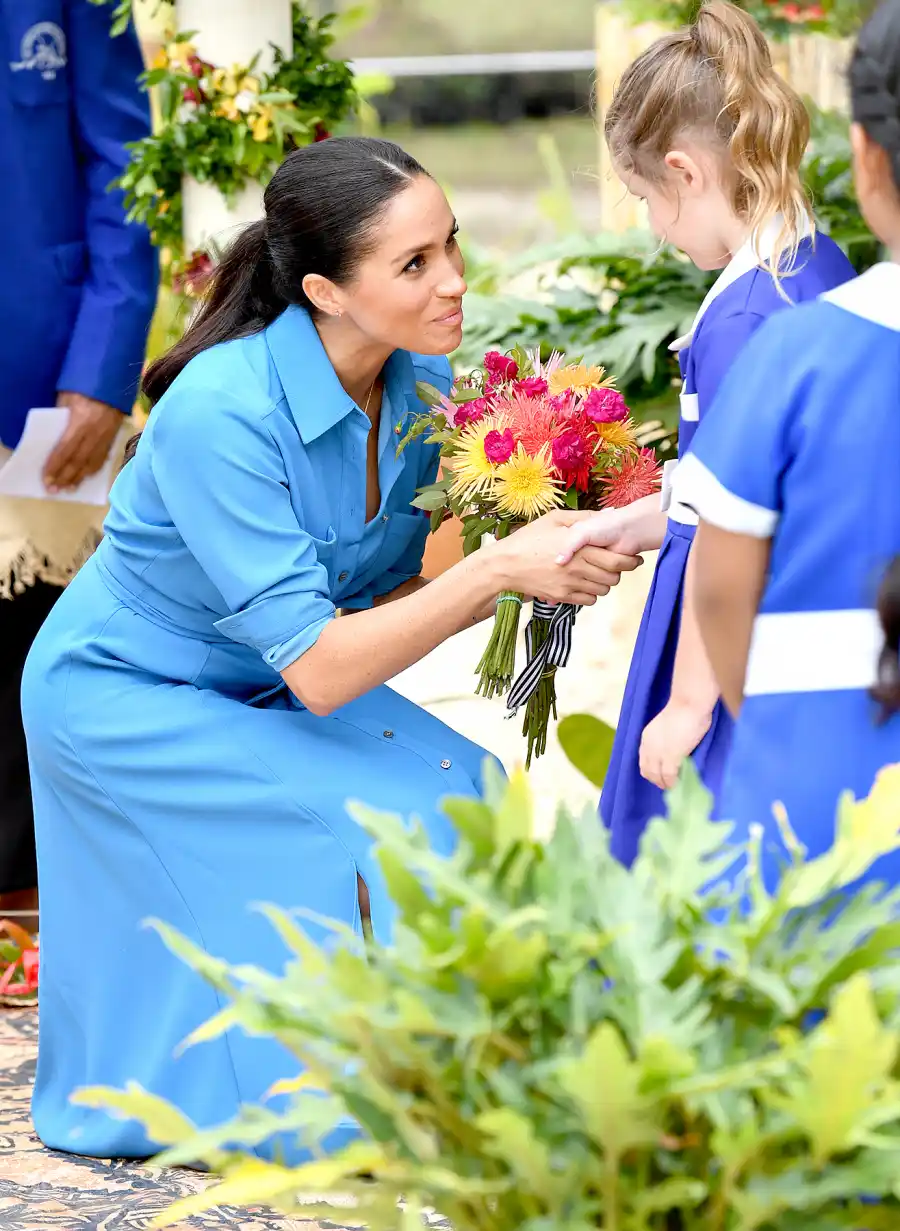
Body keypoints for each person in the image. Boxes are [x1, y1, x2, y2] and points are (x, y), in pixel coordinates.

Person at [21, 137, 640, 1161]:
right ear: (324, 290)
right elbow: (322, 668)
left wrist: (555, 536)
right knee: (391, 816)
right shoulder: (219, 413)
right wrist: (498, 572)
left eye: (451, 245)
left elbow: (388, 584)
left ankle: (532, 1076)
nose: (453, 281)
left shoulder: (423, 382)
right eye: (414, 263)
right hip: (124, 696)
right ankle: (361, 1106)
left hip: (263, 674)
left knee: (471, 789)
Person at [556, 0, 854, 866]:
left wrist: (689, 700)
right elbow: (744, 473)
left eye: (645, 198)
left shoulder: (743, 320)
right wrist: (636, 521)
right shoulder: (812, 259)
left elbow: (733, 520)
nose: (651, 224)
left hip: (721, 628)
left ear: (685, 173)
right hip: (788, 600)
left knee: (697, 843)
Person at [671, 0, 900, 890]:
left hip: (813, 807)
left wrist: (766, 719)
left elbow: (723, 591)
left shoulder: (794, 352)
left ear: (868, 158)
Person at [0, 4, 157, 920]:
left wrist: (102, 364)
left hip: (44, 366)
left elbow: (123, 166)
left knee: (37, 643)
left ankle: (33, 902)